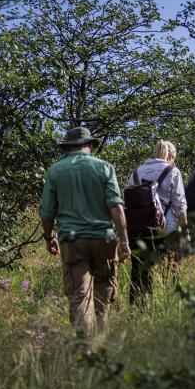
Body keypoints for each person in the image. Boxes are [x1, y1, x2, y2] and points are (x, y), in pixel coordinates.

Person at [39, 126, 131, 336]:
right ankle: (100, 340)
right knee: (104, 294)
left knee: (80, 297)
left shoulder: (55, 170)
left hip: (73, 241)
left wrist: (49, 237)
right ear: (89, 145)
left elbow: (47, 212)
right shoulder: (105, 168)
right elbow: (116, 207)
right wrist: (124, 241)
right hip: (104, 240)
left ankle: (84, 347)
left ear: (68, 147)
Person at [126, 140, 189, 307]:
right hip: (166, 230)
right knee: (169, 273)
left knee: (140, 275)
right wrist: (186, 232)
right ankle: (169, 307)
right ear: (171, 156)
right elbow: (179, 204)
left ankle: (138, 310)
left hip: (140, 232)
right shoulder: (173, 171)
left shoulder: (136, 172)